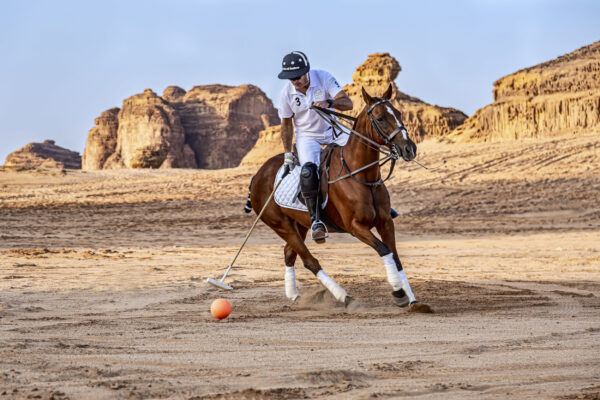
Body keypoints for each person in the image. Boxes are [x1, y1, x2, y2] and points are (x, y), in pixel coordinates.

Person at [277, 51, 353, 243]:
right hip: (307, 137)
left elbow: (348, 103)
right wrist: (287, 154)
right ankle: (316, 220)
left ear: (307, 71)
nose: (294, 81)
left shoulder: (324, 77)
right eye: (291, 78)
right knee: (309, 172)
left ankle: (378, 201)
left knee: (360, 153)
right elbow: (286, 124)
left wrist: (330, 102)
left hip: (332, 129)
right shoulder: (287, 93)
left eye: (297, 77)